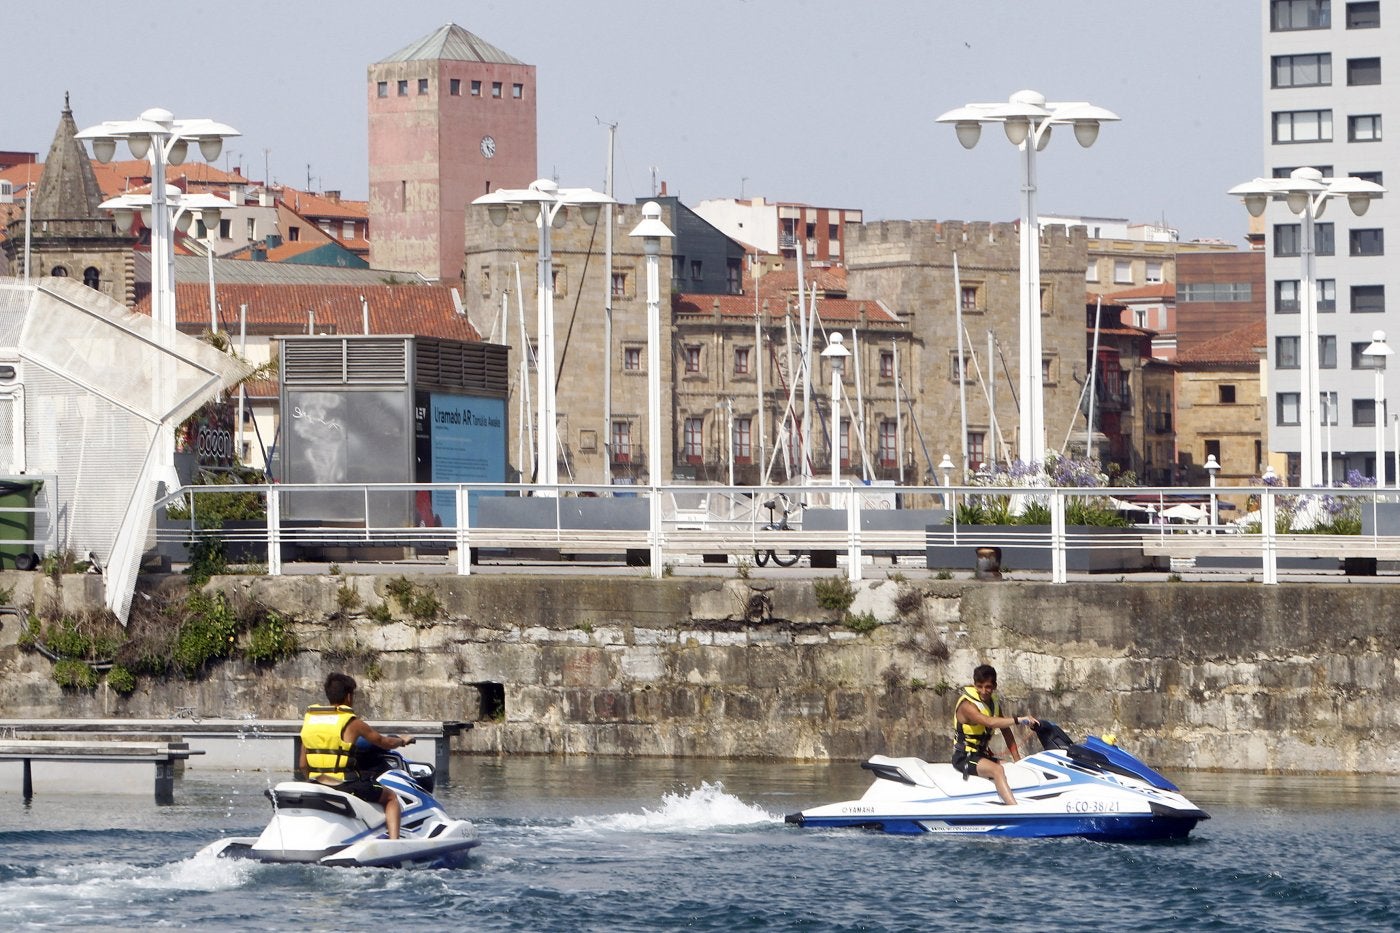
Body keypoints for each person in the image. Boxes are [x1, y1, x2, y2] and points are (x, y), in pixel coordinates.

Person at [299, 672, 415, 840]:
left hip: (316, 783)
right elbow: (384, 742)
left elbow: (303, 764)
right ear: (348, 696)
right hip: (344, 785)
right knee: (391, 798)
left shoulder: (310, 722)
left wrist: (315, 780)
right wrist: (403, 741)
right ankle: (394, 843)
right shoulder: (352, 723)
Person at [951, 664, 1039, 806]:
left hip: (982, 756)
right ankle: (1015, 810)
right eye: (979, 686)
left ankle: (1022, 802)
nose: (983, 691)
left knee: (1012, 768)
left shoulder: (993, 705)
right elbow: (989, 722)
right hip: (964, 757)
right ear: (974, 685)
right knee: (998, 770)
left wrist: (1017, 759)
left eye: (988, 687)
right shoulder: (967, 706)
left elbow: (1005, 731)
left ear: (995, 686)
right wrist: (1019, 720)